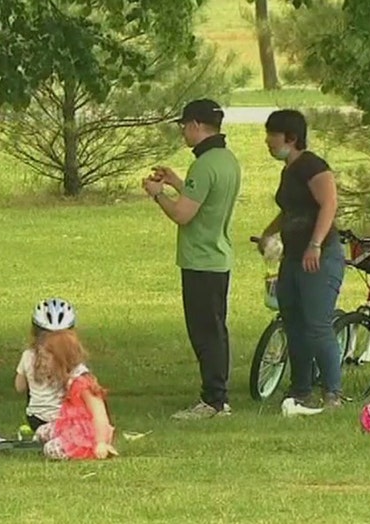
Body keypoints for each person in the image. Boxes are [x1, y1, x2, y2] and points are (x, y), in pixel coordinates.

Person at [142, 98, 242, 419]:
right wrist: (177, 182)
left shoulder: (204, 164)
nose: (183, 132)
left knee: (204, 333)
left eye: (184, 125)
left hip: (201, 260)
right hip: (219, 257)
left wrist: (158, 194)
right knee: (217, 329)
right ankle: (219, 397)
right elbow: (204, 201)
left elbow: (184, 214)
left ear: (196, 125)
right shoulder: (227, 160)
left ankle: (212, 400)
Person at [258, 109, 345, 410]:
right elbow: (291, 211)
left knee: (317, 325)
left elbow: (328, 203)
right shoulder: (289, 171)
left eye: (273, 134)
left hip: (319, 257)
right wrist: (269, 234)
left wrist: (315, 244)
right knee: (293, 322)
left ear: (291, 138)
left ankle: (333, 393)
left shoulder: (312, 166)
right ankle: (301, 389)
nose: (268, 141)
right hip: (293, 258)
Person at [32, 330, 116, 460]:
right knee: (41, 433)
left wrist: (101, 442)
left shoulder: (82, 382)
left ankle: (90, 450)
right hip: (70, 426)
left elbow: (99, 414)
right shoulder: (68, 379)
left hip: (86, 434)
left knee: (50, 449)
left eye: (46, 358)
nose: (44, 363)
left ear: (60, 358)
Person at [14, 298, 80, 432]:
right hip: (66, 418)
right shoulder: (72, 359)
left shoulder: (28, 355)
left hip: (36, 419)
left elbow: (19, 387)